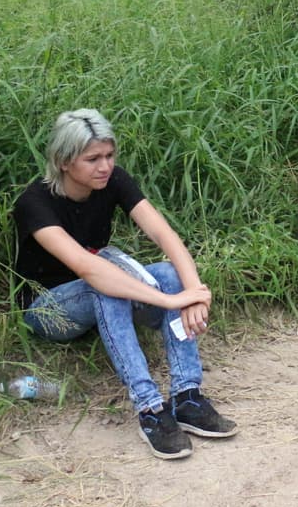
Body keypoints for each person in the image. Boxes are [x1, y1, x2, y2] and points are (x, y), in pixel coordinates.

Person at [14, 109, 236, 460]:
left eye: (109, 155)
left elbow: (163, 233)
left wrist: (194, 293)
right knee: (105, 283)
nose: (104, 166)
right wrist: (169, 301)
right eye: (93, 159)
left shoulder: (113, 180)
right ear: (64, 161)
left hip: (100, 291)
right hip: (48, 309)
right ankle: (149, 408)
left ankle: (187, 396)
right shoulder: (34, 203)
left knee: (168, 271)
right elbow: (88, 268)